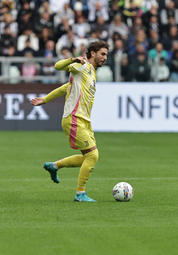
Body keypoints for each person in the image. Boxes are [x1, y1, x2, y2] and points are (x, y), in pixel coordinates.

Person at [30, 40, 109, 202]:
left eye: (106, 55)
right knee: (92, 155)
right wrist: (73, 59)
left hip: (85, 121)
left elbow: (67, 86)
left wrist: (44, 99)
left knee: (88, 157)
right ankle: (80, 194)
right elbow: (58, 66)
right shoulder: (81, 65)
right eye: (102, 54)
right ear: (92, 53)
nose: (105, 58)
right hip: (74, 118)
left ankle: (54, 166)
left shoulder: (92, 72)